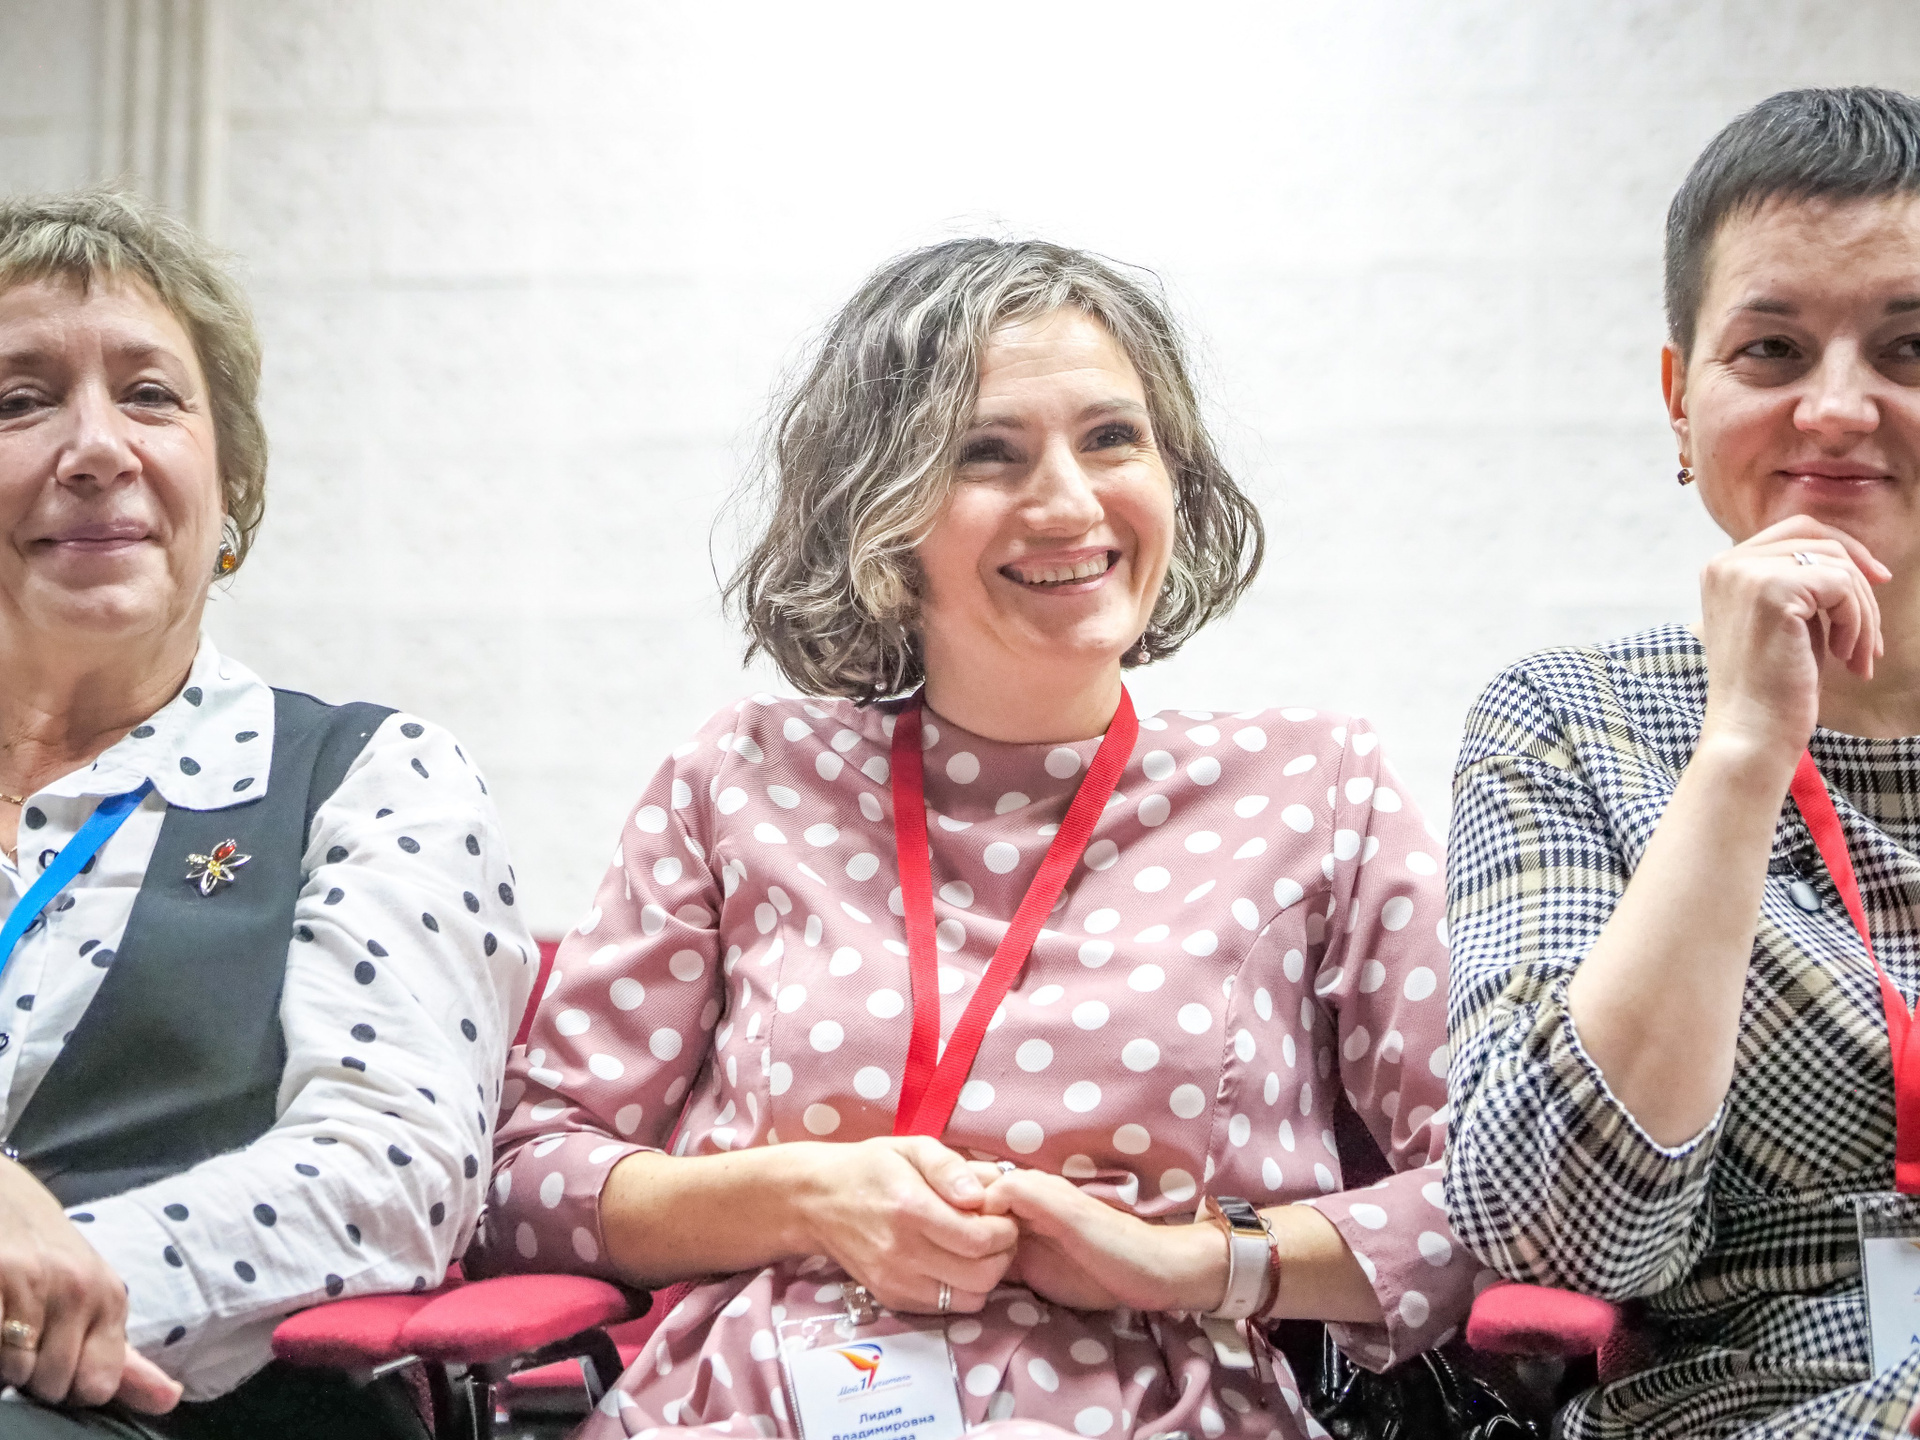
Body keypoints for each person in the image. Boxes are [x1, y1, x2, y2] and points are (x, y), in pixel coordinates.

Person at [478, 238, 1476, 1440]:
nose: (1068, 503)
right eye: (985, 454)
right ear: (878, 508)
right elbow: (525, 1181)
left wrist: (1196, 1263)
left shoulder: (1316, 788)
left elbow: (1497, 1194)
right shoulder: (739, 778)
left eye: (1112, 438)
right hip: (751, 1409)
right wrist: (807, 1196)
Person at [0, 190, 534, 1437]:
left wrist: (45, 1286)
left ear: (229, 480)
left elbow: (390, 1180)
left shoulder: (373, 777)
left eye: (150, 396)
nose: (94, 448)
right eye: (19, 401)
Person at [1445, 87, 1920, 1438]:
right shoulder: (1568, 723)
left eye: (1912, 346)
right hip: (1752, 1408)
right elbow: (1554, 1229)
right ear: (1680, 402)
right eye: (1772, 349)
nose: (1838, 408)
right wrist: (1741, 752)